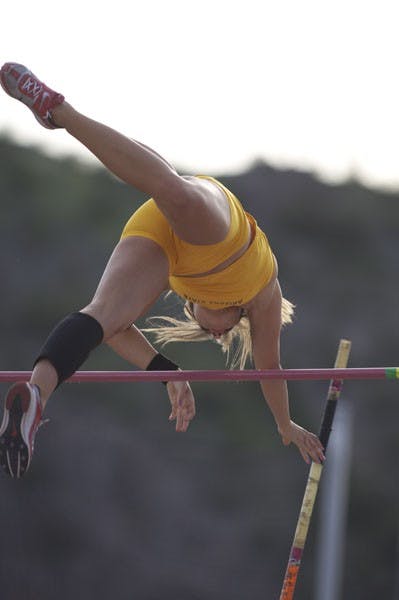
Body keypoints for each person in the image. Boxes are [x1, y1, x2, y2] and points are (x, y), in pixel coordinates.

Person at [0, 62, 325, 478]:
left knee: (103, 317)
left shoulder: (179, 277)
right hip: (223, 230)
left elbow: (118, 331)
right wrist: (285, 426)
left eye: (208, 334)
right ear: (235, 318)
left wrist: (167, 373)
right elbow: (270, 368)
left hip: (164, 239)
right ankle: (57, 110)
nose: (216, 332)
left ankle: (34, 396)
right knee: (174, 190)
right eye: (220, 334)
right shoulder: (261, 294)